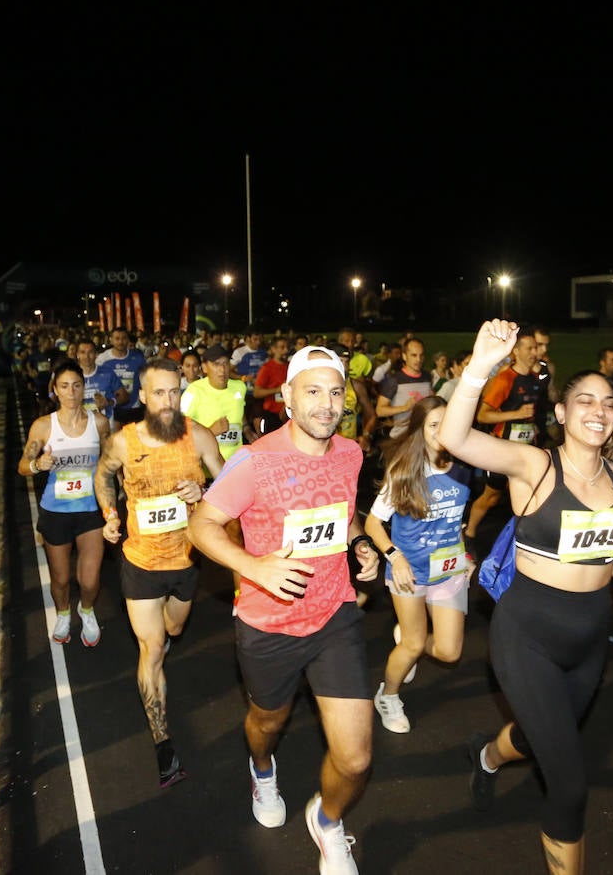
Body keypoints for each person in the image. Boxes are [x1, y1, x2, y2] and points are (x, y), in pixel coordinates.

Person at [439, 320, 613, 875]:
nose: (598, 410)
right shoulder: (535, 465)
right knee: (568, 783)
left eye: (607, 402)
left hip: (591, 640)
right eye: (583, 400)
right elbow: (456, 438)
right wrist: (479, 367)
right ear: (561, 414)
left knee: (544, 737)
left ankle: (487, 756)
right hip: (528, 635)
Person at [188, 346, 380, 875]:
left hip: (333, 615)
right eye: (313, 391)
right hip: (268, 624)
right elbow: (200, 527)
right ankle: (262, 768)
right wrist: (254, 567)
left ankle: (329, 821)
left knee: (357, 757)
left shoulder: (350, 453)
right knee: (267, 722)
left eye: (335, 392)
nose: (326, 404)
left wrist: (360, 541)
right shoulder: (255, 460)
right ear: (288, 399)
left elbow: (342, 515)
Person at [96, 358, 224, 788]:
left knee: (173, 629)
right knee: (151, 647)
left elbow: (228, 488)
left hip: (186, 561)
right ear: (143, 397)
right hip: (140, 561)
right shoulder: (123, 441)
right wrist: (110, 513)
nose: (168, 402)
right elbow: (103, 476)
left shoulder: (199, 436)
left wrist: (203, 492)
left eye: (174, 392)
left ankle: (164, 641)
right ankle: (162, 741)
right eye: (159, 393)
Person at [364, 396, 472, 733]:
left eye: (447, 423)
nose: (441, 432)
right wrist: (394, 557)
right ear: (419, 431)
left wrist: (464, 554)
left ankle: (410, 639)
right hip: (408, 570)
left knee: (449, 652)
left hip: (448, 569)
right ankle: (388, 695)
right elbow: (372, 525)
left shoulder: (466, 466)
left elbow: (457, 521)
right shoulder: (405, 469)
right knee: (412, 644)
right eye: (433, 425)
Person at [20, 360, 112, 647]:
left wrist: (115, 500)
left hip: (90, 510)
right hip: (56, 512)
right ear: (55, 391)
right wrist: (38, 464)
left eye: (76, 385)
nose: (71, 392)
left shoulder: (98, 423)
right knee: (60, 579)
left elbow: (110, 463)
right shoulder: (43, 426)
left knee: (89, 580)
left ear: (83, 387)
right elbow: (23, 465)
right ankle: (62, 613)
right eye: (64, 386)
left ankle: (86, 610)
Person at [463, 332, 543, 540]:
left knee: (529, 492)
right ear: (516, 351)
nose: (535, 353)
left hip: (526, 449)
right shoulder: (506, 378)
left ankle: (525, 539)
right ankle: (469, 533)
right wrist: (516, 414)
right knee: (492, 496)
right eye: (529, 348)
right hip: (502, 449)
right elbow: (483, 414)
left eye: (536, 348)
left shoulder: (535, 379)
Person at [180, 343, 248, 460]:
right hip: (209, 465)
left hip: (236, 462)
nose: (222, 369)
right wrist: (210, 432)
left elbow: (239, 412)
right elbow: (179, 433)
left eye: (225, 363)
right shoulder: (193, 392)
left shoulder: (240, 387)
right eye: (216, 364)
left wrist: (247, 429)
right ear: (205, 368)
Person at [375, 337, 433, 440]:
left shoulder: (427, 377)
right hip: (401, 439)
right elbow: (380, 411)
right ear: (404, 356)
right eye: (414, 355)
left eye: (421, 355)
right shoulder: (394, 380)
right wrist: (404, 408)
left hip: (424, 437)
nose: (418, 360)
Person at [96, 327, 147, 424]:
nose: (120, 342)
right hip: (111, 407)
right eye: (117, 338)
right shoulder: (102, 359)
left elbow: (146, 379)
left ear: (128, 339)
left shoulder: (138, 358)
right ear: (111, 340)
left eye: (123, 338)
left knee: (133, 438)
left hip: (134, 406)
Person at [252, 335, 291, 434]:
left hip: (289, 414)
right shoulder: (267, 368)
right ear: (273, 349)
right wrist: (277, 390)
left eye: (287, 347)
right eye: (282, 347)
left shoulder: (290, 366)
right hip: (272, 416)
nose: (286, 350)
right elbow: (256, 393)